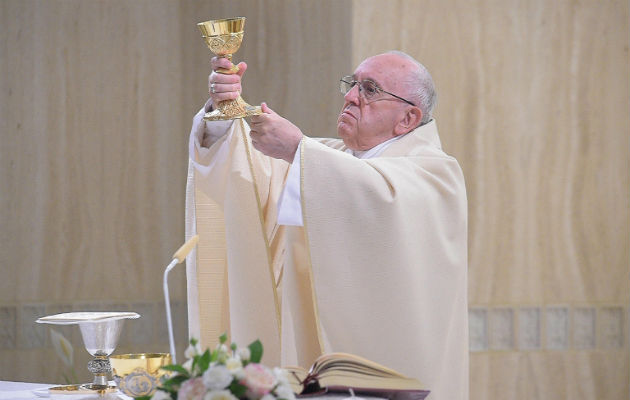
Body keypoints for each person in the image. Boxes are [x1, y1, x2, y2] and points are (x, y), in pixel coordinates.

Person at [186, 51, 468, 400]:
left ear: (408, 118)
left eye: (370, 89)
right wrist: (226, 113)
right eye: (352, 84)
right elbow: (247, 173)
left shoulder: (435, 174)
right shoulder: (331, 159)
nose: (351, 96)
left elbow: (380, 198)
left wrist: (297, 149)